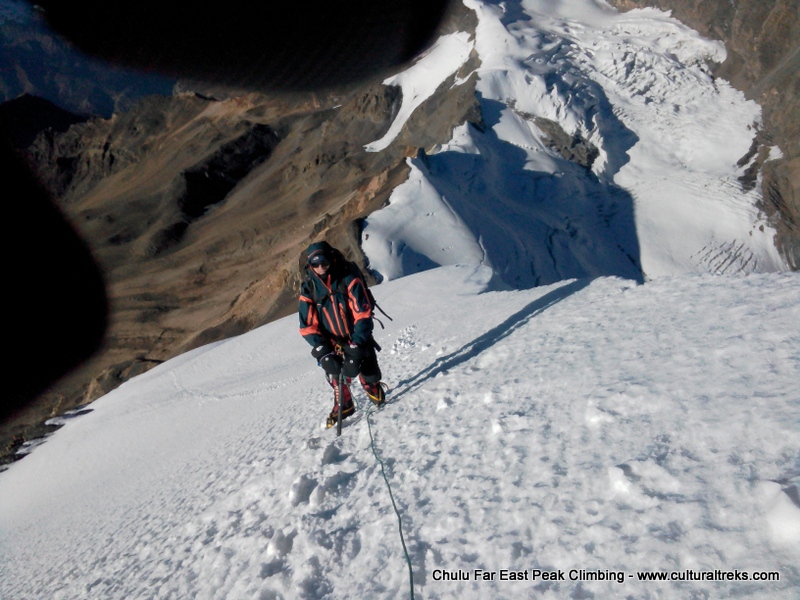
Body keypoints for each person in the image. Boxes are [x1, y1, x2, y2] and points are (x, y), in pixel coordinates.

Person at [299, 241, 386, 427]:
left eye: (324, 262)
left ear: (331, 259)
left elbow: (362, 313)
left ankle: (372, 385)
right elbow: (307, 325)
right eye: (315, 264)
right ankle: (344, 404)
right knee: (337, 374)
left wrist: (357, 344)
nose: (321, 267)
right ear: (310, 265)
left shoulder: (348, 277)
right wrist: (324, 351)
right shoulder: (309, 288)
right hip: (332, 341)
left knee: (366, 365)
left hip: (356, 335)